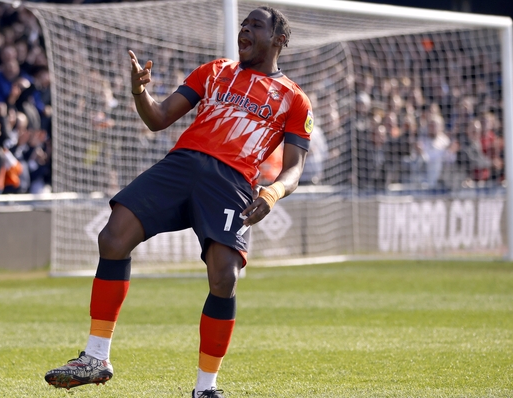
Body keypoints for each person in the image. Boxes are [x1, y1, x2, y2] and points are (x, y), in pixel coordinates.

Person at [44, 7, 312, 398]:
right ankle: (96, 357)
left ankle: (206, 389)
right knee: (113, 238)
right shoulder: (216, 70)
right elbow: (158, 118)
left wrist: (271, 193)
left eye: (255, 25)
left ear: (278, 40)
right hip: (182, 164)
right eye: (244, 24)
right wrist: (140, 91)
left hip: (231, 181)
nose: (244, 29)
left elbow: (294, 169)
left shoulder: (294, 99)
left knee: (224, 280)